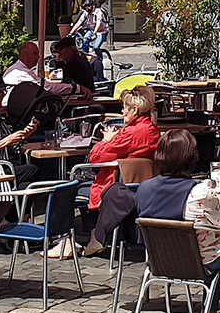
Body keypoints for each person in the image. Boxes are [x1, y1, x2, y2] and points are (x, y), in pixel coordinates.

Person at [135, 129, 220, 313]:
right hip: (198, 261)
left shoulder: (143, 189)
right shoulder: (200, 192)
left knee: (215, 250)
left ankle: (215, 299)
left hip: (160, 261)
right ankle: (211, 310)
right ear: (192, 157)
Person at [50, 85, 158, 259]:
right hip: (141, 184)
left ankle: (66, 241)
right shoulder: (152, 130)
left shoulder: (131, 133)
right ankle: (93, 237)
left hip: (116, 185)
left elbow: (96, 157)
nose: (122, 112)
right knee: (83, 184)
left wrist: (106, 140)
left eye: (124, 108)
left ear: (135, 110)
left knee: (67, 189)